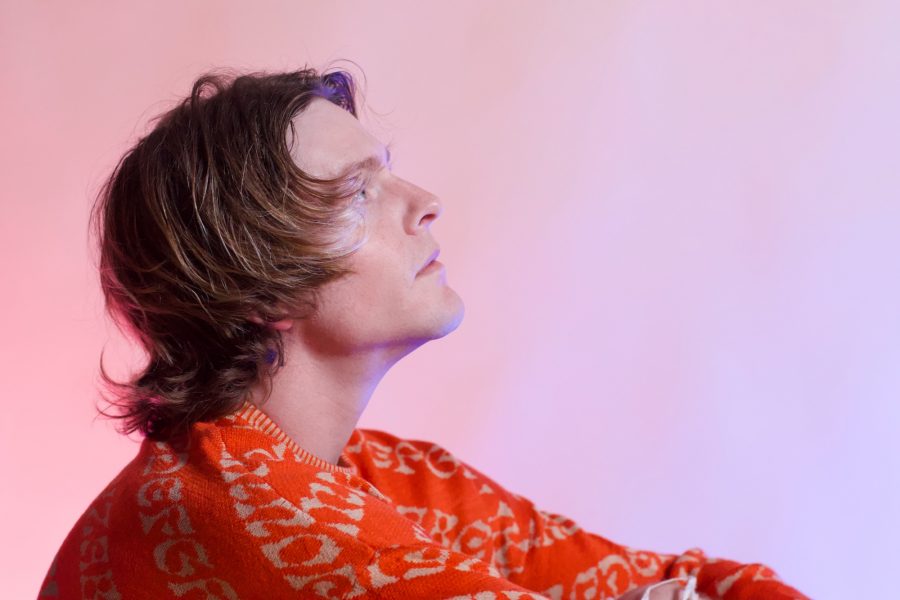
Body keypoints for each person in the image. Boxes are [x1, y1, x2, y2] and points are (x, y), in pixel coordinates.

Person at [39, 66, 809, 599]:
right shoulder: (235, 514)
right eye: (357, 193)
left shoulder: (380, 477)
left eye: (387, 172)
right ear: (258, 284)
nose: (424, 201)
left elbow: (701, 580)